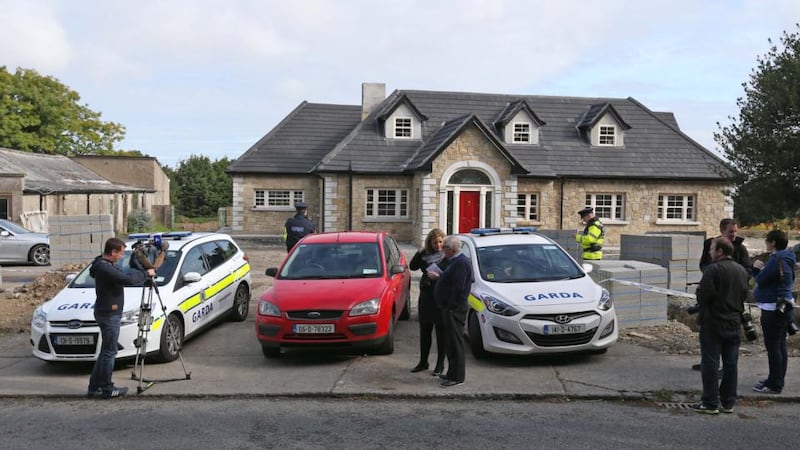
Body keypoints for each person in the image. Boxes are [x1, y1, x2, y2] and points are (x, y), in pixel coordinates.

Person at [88, 237, 155, 399]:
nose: (122, 257)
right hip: (110, 314)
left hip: (106, 312)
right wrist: (147, 273)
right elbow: (127, 279)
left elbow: (123, 274)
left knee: (106, 351)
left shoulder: (102, 263)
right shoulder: (105, 268)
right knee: (110, 352)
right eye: (121, 253)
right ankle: (106, 388)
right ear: (112, 252)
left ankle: (94, 386)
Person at [690, 237, 750, 414]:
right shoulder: (741, 270)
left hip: (714, 323)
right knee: (731, 365)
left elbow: (704, 296)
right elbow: (744, 294)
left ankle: (710, 402)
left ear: (720, 251)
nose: (710, 252)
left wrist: (699, 295)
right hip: (734, 323)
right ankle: (728, 402)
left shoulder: (713, 269)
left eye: (712, 249)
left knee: (710, 363)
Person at [692, 217, 753, 371]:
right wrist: (712, 276)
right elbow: (703, 264)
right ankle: (708, 361)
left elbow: (747, 270)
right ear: (722, 231)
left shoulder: (740, 248)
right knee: (709, 333)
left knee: (728, 340)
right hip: (713, 294)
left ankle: (723, 369)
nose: (733, 235)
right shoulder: (710, 244)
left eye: (735, 231)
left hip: (732, 295)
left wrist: (731, 275)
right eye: (730, 232)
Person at [752, 229, 796, 394]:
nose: (766, 244)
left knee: (773, 347)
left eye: (767, 241)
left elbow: (761, 280)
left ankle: (774, 383)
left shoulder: (776, 258)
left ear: (773, 243)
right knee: (780, 346)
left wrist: (756, 269)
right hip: (784, 305)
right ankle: (776, 379)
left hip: (773, 308)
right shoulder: (789, 257)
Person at [430, 236, 473, 387]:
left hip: (454, 309)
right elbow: (451, 280)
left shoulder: (460, 263)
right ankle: (451, 373)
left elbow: (458, 288)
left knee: (456, 343)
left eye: (445, 248)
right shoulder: (455, 261)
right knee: (450, 343)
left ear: (451, 249)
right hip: (448, 308)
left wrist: (450, 306)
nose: (443, 251)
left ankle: (457, 377)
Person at [408, 228, 449, 376]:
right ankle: (423, 362)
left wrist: (440, 278)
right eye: (434, 243)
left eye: (440, 242)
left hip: (441, 297)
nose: (438, 245)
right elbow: (412, 266)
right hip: (426, 297)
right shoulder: (425, 255)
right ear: (429, 244)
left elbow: (452, 276)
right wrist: (420, 252)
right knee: (425, 331)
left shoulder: (447, 255)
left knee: (441, 332)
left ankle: (440, 364)